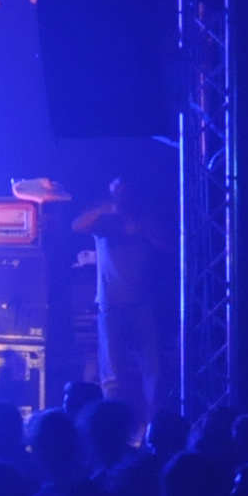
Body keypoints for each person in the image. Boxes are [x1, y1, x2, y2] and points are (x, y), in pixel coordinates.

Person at [75, 178, 169, 437]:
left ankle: (154, 426)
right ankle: (112, 428)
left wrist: (140, 227)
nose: (121, 197)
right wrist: (104, 209)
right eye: (116, 193)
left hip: (141, 303)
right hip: (109, 303)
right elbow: (78, 225)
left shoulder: (146, 219)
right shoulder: (105, 221)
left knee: (152, 368)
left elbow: (166, 244)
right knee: (112, 371)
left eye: (124, 192)